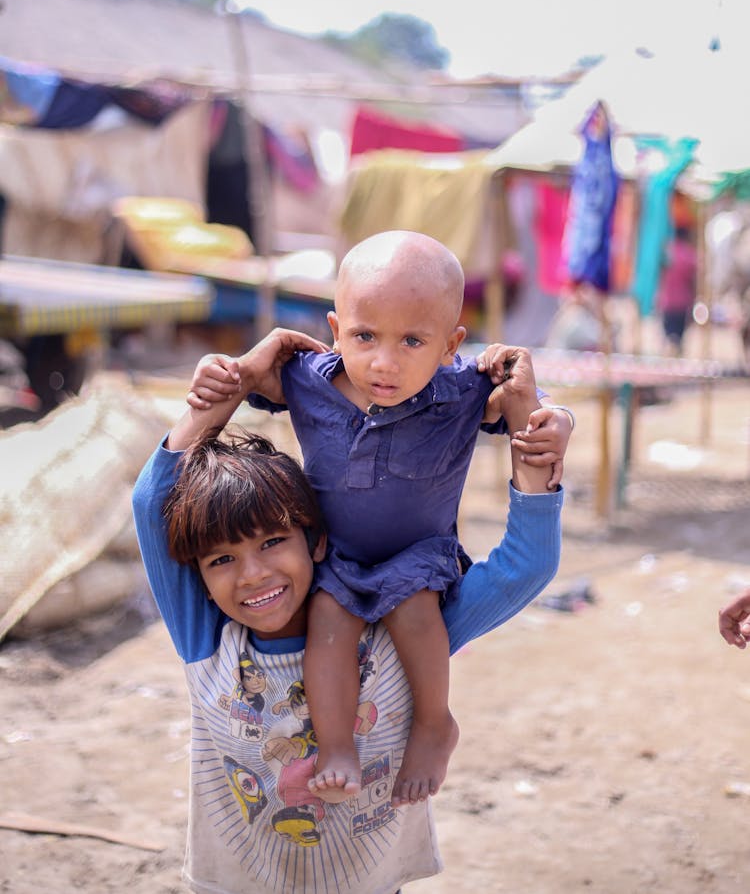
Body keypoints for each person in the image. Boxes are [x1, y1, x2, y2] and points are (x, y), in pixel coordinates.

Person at [132, 329, 564, 894]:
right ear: (199, 576)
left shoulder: (395, 630)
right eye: (221, 560)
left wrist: (534, 446)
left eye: (271, 543)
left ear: (316, 542)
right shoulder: (208, 639)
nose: (253, 574)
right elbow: (151, 503)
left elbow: (526, 565)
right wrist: (234, 384)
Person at [188, 230, 574, 807]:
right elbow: (246, 379)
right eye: (364, 335)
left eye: (413, 341)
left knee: (417, 617)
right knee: (327, 632)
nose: (384, 362)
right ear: (335, 328)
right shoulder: (307, 380)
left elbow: (524, 409)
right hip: (336, 559)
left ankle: (435, 724)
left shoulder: (461, 392)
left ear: (451, 344)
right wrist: (227, 369)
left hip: (419, 558)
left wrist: (556, 418)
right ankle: (338, 746)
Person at [656, 225, 698, 356]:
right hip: (682, 303)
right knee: (678, 339)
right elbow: (694, 279)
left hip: (666, 302)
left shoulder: (667, 252)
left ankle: (669, 362)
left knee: (668, 337)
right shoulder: (690, 254)